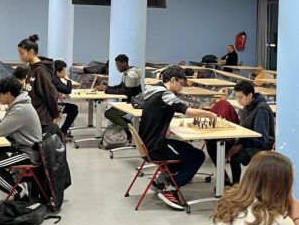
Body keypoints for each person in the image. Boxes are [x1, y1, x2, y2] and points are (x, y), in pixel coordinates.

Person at [138, 65, 216, 210]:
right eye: (181, 83)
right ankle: (171, 188)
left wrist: (165, 126)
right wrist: (209, 114)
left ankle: (161, 181)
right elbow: (189, 112)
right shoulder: (165, 95)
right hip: (156, 147)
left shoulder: (151, 90)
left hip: (147, 144)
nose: (182, 88)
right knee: (198, 155)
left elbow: (157, 113)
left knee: (185, 149)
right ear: (173, 80)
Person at [0, 77, 42, 200]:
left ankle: (20, 192)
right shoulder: (17, 104)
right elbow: (2, 122)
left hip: (28, 153)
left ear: (8, 94)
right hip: (19, 148)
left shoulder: (20, 109)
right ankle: (18, 184)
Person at [207, 81, 274, 185]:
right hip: (246, 142)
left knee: (235, 158)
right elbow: (244, 129)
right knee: (212, 144)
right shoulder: (247, 106)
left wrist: (240, 146)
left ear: (250, 95)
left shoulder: (261, 109)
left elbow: (261, 139)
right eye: (236, 97)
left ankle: (236, 186)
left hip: (259, 146)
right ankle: (224, 180)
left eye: (240, 97)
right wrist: (236, 143)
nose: (238, 100)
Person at [17, 34, 59, 131]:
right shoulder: (32, 67)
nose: (20, 57)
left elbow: (50, 93)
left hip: (41, 118)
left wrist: (55, 114)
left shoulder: (40, 70)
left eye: (22, 53)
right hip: (33, 115)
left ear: (31, 52)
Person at [100, 54, 143, 143]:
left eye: (118, 65)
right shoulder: (126, 72)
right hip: (128, 101)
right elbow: (120, 86)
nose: (117, 67)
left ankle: (131, 131)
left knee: (110, 114)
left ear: (124, 63)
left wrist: (108, 91)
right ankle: (131, 127)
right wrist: (107, 88)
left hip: (133, 103)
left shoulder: (132, 74)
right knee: (109, 113)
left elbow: (126, 92)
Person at [53, 60, 79, 138]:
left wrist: (60, 93)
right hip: (52, 106)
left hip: (52, 103)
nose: (65, 72)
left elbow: (63, 88)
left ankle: (63, 131)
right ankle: (63, 132)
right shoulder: (54, 79)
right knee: (73, 110)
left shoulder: (54, 78)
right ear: (58, 71)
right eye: (64, 70)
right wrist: (68, 79)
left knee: (74, 108)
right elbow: (68, 90)